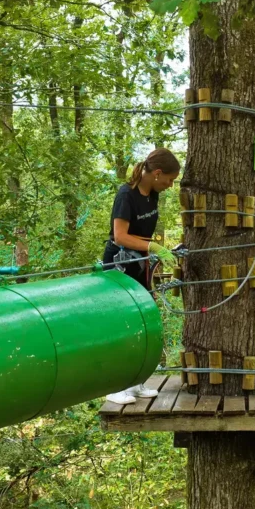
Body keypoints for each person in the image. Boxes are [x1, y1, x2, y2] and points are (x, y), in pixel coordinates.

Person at [103, 147, 181, 405]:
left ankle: (135, 382)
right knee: (123, 324)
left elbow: (142, 235)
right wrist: (153, 247)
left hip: (140, 265)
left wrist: (161, 250)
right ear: (157, 174)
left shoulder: (152, 196)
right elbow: (120, 236)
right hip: (119, 265)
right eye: (169, 180)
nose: (170, 186)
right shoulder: (127, 195)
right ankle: (114, 387)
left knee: (143, 322)